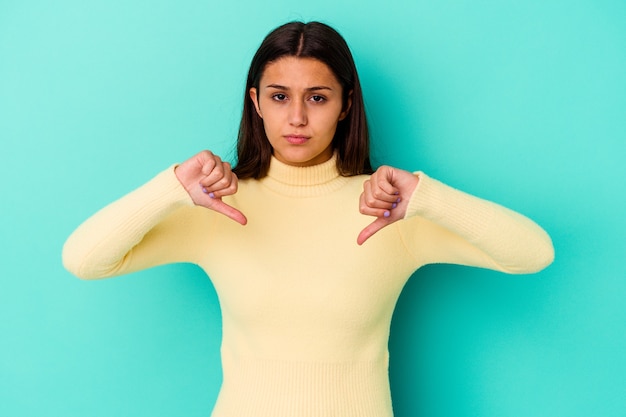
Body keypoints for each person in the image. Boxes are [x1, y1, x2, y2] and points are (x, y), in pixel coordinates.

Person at [63, 21, 554, 417]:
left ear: (345, 106)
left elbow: (533, 253)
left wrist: (429, 197)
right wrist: (169, 188)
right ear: (255, 102)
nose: (297, 118)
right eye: (279, 96)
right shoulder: (218, 210)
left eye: (317, 97)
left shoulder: (390, 213)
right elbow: (84, 260)